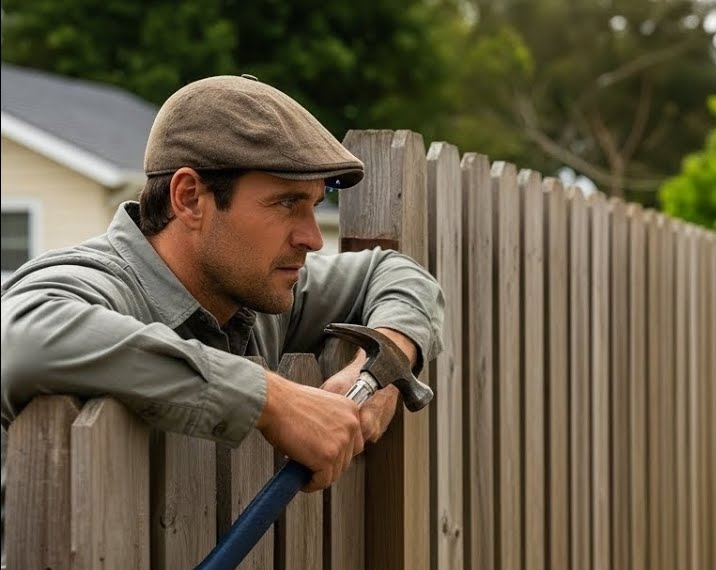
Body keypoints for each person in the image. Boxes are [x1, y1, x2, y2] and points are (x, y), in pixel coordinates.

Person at [0, 74, 445, 494]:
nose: (311, 237)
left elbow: (391, 272)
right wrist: (271, 399)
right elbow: (21, 342)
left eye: (314, 205)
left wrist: (386, 361)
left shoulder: (256, 292)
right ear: (190, 198)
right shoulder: (105, 284)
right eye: (286, 203)